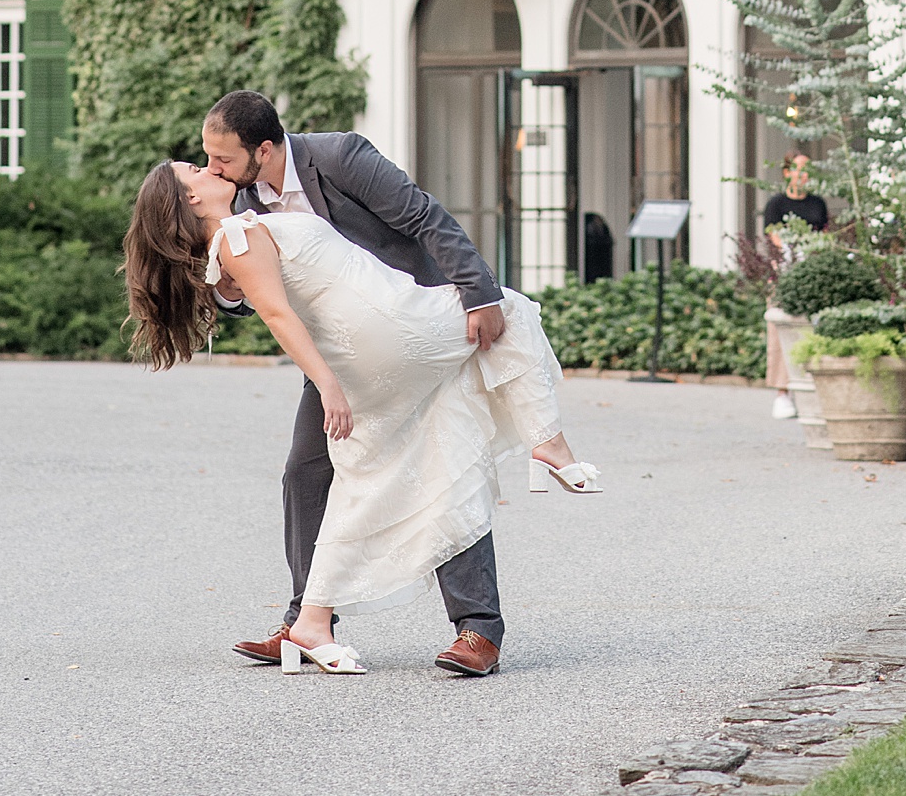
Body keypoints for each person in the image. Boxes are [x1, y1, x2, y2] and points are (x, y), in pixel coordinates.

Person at [123, 155, 597, 676]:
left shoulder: (337, 158)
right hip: (358, 355)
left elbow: (426, 219)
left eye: (219, 157)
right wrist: (324, 382)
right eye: (200, 166)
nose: (213, 166)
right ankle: (547, 444)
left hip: (384, 334)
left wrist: (475, 293)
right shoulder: (240, 217)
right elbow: (268, 305)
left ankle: (459, 626)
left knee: (419, 459)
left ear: (260, 148)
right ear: (191, 199)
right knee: (311, 473)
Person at [762, 153, 829, 421]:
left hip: (811, 269)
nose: (803, 176)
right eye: (798, 170)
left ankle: (814, 388)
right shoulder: (776, 204)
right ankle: (782, 392)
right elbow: (774, 236)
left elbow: (823, 234)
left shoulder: (818, 204)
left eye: (807, 171)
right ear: (787, 172)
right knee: (780, 329)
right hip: (784, 270)